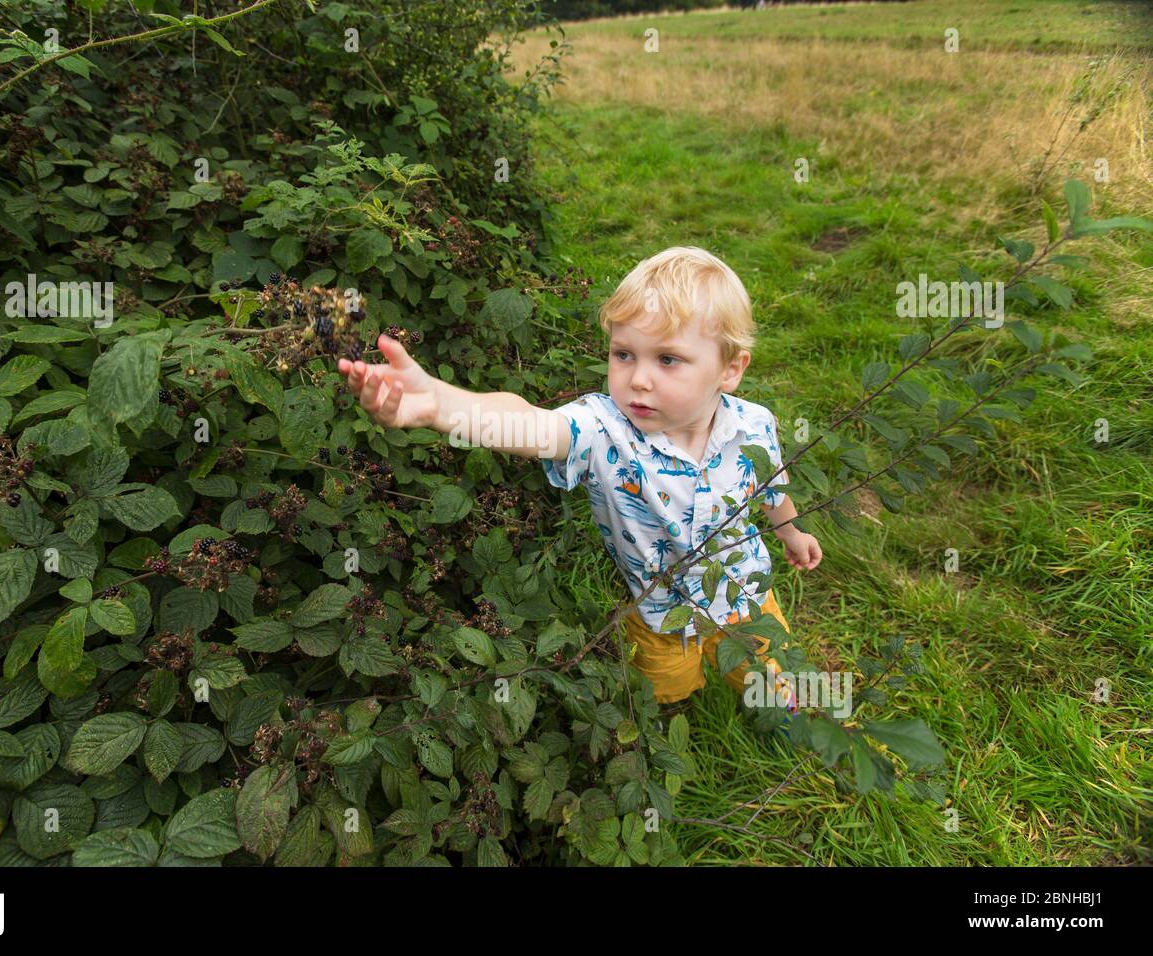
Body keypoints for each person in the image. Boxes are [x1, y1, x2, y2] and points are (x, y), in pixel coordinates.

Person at [338, 246, 822, 729]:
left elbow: (770, 486)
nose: (638, 380)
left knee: (774, 681)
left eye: (668, 359)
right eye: (624, 354)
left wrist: (790, 533)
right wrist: (441, 406)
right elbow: (529, 424)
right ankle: (673, 721)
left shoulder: (753, 427)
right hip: (660, 614)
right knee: (665, 688)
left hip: (747, 595)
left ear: (730, 370)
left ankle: (804, 727)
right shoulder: (603, 430)